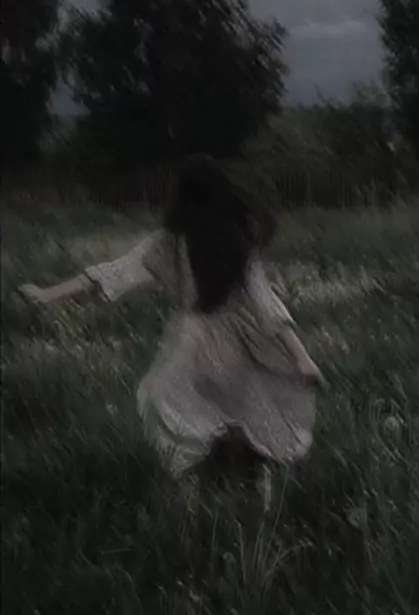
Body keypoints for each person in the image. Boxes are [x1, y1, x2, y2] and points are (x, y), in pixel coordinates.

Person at [19, 155, 324, 496]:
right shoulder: (238, 240)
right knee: (245, 429)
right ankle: (251, 508)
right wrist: (302, 358)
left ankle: (197, 507)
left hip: (191, 344)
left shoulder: (166, 243)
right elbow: (267, 303)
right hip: (236, 345)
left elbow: (111, 273)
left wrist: (48, 294)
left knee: (190, 427)